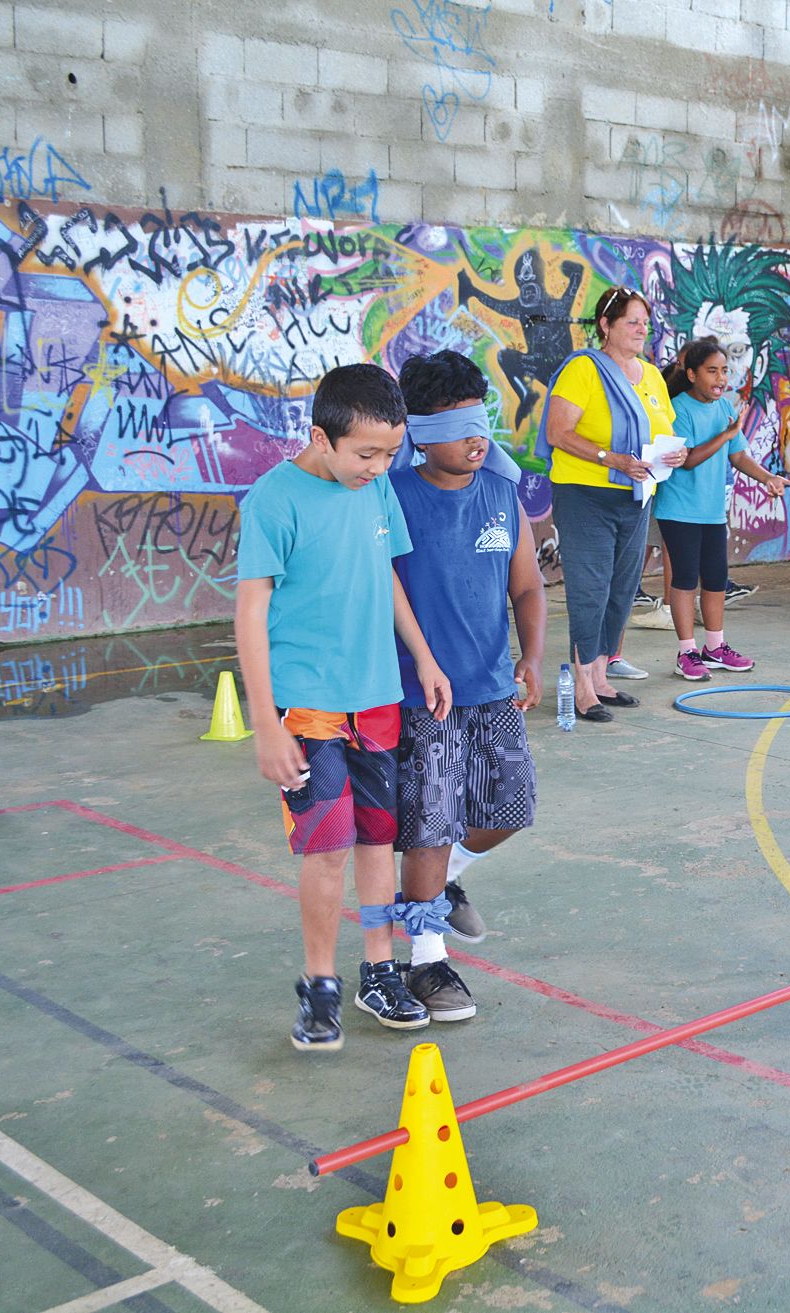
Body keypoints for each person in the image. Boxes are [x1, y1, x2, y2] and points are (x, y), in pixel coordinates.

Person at [234, 363, 452, 1052]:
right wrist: (264, 721)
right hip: (309, 710)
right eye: (366, 453)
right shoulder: (273, 501)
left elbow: (383, 573)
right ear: (321, 438)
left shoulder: (375, 488)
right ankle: (320, 985)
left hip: (377, 700)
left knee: (376, 842)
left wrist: (421, 653)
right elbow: (250, 610)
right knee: (326, 850)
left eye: (391, 453)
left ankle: (378, 971)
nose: (379, 466)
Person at [386, 351, 546, 1022]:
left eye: (481, 424)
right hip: (424, 695)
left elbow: (528, 583)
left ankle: (442, 884)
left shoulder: (499, 493)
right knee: (430, 820)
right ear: (422, 432)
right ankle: (424, 960)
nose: (477, 439)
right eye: (460, 428)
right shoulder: (394, 498)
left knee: (508, 809)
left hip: (491, 685)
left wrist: (532, 658)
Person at [535, 287, 686, 722]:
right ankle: (582, 687)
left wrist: (672, 453)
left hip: (636, 496)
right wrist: (610, 458)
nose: (642, 329)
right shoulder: (583, 370)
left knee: (622, 589)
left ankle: (601, 676)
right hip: (586, 495)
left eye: (645, 322)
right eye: (632, 322)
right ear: (606, 325)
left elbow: (662, 429)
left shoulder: (652, 375)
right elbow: (558, 433)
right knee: (591, 589)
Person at [655, 336, 790, 680]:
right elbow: (687, 460)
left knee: (716, 579)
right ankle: (686, 652)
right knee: (685, 580)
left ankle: (714, 648)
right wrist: (725, 433)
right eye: (712, 371)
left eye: (724, 371)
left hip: (713, 510)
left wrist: (767, 478)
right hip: (679, 509)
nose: (721, 379)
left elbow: (738, 455)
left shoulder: (725, 409)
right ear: (691, 375)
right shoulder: (680, 409)